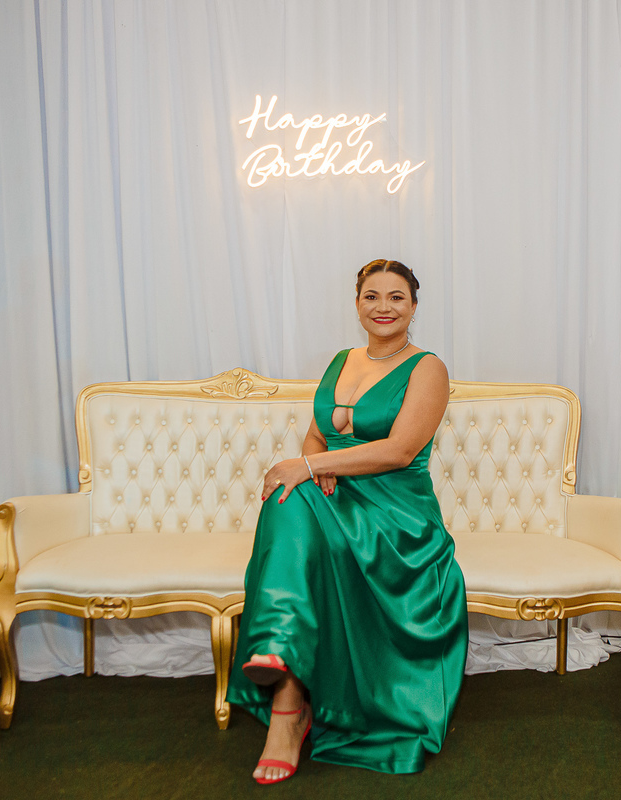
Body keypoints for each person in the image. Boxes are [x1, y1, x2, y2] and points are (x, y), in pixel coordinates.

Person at [227, 259, 468, 783]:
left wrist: (310, 467)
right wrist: (314, 467)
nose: (383, 307)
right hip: (337, 494)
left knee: (290, 491)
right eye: (371, 296)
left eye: (396, 297)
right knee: (287, 500)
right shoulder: (341, 360)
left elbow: (400, 450)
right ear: (357, 303)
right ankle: (284, 682)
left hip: (396, 513)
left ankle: (284, 682)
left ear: (414, 306)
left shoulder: (428, 367)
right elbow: (319, 435)